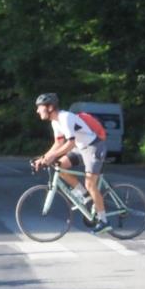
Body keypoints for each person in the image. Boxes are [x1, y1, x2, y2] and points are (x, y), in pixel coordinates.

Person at [31, 93, 110, 234]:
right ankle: (85, 196)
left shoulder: (65, 117)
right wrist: (43, 158)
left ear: (50, 107)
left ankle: (104, 221)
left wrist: (52, 156)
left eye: (39, 107)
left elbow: (70, 143)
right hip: (80, 148)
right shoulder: (55, 122)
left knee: (90, 184)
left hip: (94, 146)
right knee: (59, 167)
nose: (37, 111)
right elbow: (58, 143)